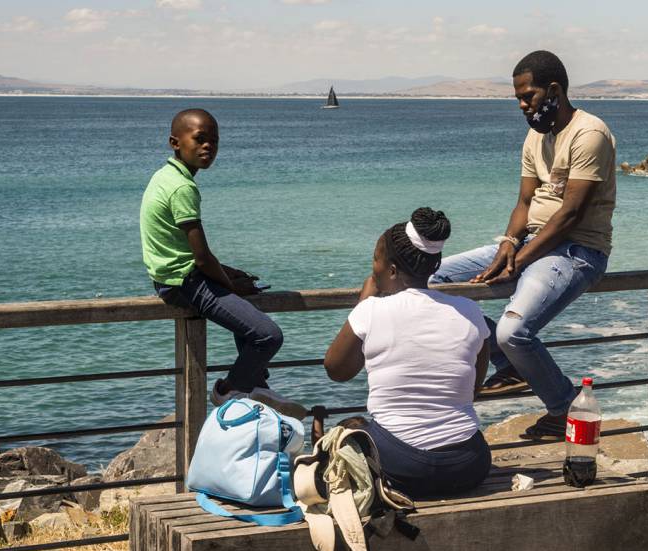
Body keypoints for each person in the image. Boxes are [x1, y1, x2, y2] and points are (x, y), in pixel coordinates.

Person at [430, 50, 617, 440]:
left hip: (577, 250)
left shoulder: (589, 133)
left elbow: (570, 216)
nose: (521, 104)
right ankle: (509, 365)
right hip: (534, 243)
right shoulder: (536, 136)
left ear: (553, 90)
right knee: (432, 280)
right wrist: (508, 245)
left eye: (527, 95)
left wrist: (519, 260)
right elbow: (525, 202)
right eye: (517, 96)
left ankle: (564, 405)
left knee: (513, 332)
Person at [139, 108, 305, 419]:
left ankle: (256, 384)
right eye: (199, 139)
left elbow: (190, 251)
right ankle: (229, 389)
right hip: (184, 283)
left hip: (172, 277)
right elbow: (201, 258)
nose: (208, 147)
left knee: (246, 310)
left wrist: (230, 275)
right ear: (175, 142)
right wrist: (230, 284)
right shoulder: (183, 187)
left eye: (214, 141)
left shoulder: (164, 176)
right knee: (268, 335)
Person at [324, 207, 492, 500]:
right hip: (469, 464)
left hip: (402, 467)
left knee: (347, 428)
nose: (372, 268)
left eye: (375, 260)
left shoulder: (372, 310)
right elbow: (472, 389)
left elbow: (336, 370)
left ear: (390, 270)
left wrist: (365, 303)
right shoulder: (470, 311)